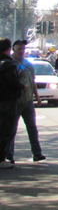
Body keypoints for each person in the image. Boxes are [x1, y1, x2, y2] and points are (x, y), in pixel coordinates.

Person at [7, 40, 45, 163]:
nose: (21, 51)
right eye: (19, 48)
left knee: (32, 128)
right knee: (12, 130)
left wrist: (37, 97)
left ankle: (37, 153)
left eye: (23, 49)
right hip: (15, 101)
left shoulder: (28, 64)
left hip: (28, 101)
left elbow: (32, 81)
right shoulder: (10, 64)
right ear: (13, 49)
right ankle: (9, 155)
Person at [0, 38, 23, 169]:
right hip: (6, 101)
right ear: (9, 49)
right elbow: (12, 82)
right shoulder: (8, 65)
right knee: (6, 130)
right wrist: (22, 86)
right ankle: (1, 158)